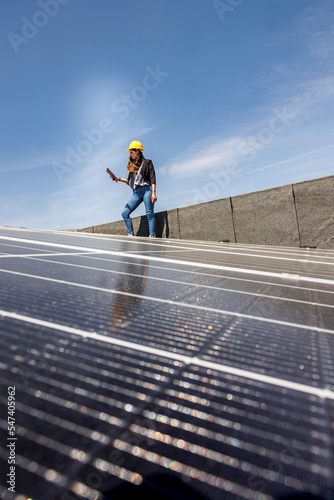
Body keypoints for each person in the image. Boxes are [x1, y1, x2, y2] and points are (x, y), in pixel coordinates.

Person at [110, 140, 157, 237]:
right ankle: (130, 234)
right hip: (136, 193)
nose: (130, 154)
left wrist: (153, 193)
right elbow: (130, 181)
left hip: (147, 190)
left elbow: (153, 178)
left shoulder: (148, 163)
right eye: (130, 153)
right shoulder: (132, 166)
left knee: (149, 213)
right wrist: (117, 178)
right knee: (125, 213)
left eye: (132, 152)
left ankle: (152, 235)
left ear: (138, 151)